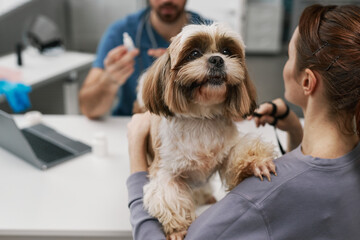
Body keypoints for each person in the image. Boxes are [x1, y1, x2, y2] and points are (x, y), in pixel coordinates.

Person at [126, 4, 360, 240]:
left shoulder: (254, 198)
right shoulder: (350, 159)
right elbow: (307, 175)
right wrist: (293, 125)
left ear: (307, 82)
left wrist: (136, 152)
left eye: (289, 57)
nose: (217, 59)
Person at [79, 0, 211, 119]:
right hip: (130, 124)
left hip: (195, 127)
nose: (167, 0)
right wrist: (110, 79)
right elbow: (88, 109)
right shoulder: (120, 32)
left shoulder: (213, 35)